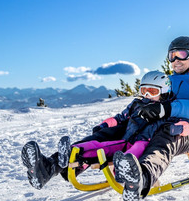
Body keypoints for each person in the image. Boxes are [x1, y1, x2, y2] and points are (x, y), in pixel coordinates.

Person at [112, 36, 189, 201]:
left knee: (164, 140)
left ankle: (142, 178)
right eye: (172, 56)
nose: (176, 60)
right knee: (128, 127)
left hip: (187, 130)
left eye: (181, 54)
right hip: (156, 124)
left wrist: (168, 108)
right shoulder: (167, 80)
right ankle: (81, 158)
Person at [22, 70, 173, 189]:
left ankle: (125, 173)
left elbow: (172, 126)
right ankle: (63, 157)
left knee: (132, 152)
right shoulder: (136, 104)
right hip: (124, 140)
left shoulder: (166, 110)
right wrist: (106, 124)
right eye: (143, 90)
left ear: (164, 91)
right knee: (97, 146)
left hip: (143, 143)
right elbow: (121, 117)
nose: (146, 95)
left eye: (152, 92)